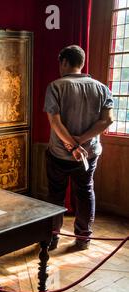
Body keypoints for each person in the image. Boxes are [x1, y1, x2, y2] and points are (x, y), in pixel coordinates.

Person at [44, 45, 114, 251]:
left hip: (58, 153)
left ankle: (53, 238)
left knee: (56, 194)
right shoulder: (102, 88)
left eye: (60, 63)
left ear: (64, 62)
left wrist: (72, 144)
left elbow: (55, 123)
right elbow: (108, 120)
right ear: (81, 63)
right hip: (88, 154)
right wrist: (81, 141)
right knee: (85, 192)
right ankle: (83, 238)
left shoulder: (55, 86)